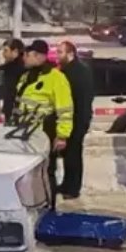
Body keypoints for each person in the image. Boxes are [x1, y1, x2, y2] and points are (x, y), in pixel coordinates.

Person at [15, 40, 74, 194]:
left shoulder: (56, 78)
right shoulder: (28, 76)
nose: (24, 58)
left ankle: (49, 203)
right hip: (26, 132)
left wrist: (62, 136)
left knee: (46, 172)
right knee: (30, 173)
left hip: (45, 131)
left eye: (27, 55)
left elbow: (65, 109)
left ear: (37, 55)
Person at [56, 41, 94, 200]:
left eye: (60, 52)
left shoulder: (77, 72)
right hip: (74, 117)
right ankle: (67, 183)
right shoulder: (68, 70)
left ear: (70, 53)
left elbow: (80, 99)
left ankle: (73, 188)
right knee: (68, 154)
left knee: (73, 153)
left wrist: (80, 120)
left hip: (78, 118)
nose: (57, 55)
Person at [0, 39, 26, 119]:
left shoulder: (16, 68)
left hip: (16, 108)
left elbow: (13, 90)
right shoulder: (11, 67)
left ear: (15, 51)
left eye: (6, 51)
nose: (3, 54)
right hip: (13, 108)